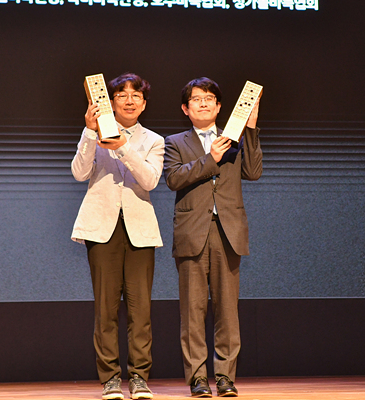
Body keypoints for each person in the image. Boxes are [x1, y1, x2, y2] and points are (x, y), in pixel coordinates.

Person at [163, 77, 263, 397]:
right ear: (186, 108)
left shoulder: (233, 137)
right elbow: (174, 178)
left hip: (227, 231)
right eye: (196, 99)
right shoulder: (175, 142)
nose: (203, 103)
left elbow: (253, 172)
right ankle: (197, 378)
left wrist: (250, 128)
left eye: (209, 98)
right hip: (192, 231)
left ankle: (225, 377)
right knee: (193, 311)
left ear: (219, 107)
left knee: (227, 310)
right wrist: (211, 159)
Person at [71, 73, 164, 400]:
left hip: (140, 230)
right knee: (106, 309)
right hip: (102, 228)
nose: (129, 100)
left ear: (144, 103)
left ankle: (139, 377)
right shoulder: (94, 134)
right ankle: (110, 378)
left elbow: (150, 180)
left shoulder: (154, 140)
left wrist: (123, 146)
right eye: (121, 94)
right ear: (110, 102)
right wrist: (89, 131)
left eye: (135, 95)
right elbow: (79, 172)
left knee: (140, 311)